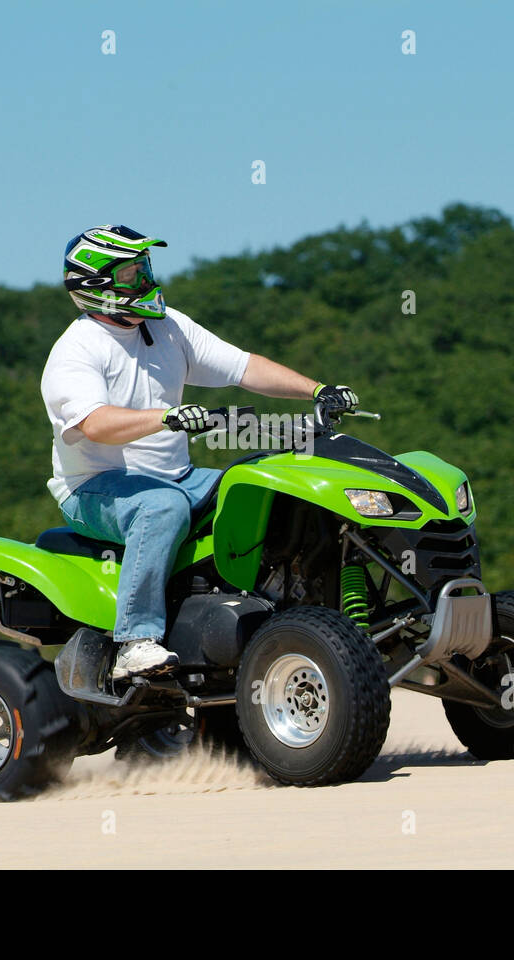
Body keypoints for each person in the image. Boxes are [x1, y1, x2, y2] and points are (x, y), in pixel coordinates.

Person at [42, 224, 358, 679]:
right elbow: (94, 424)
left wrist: (319, 389)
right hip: (93, 489)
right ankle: (135, 641)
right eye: (133, 274)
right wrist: (165, 417)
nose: (147, 281)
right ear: (97, 285)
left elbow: (243, 367)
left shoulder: (168, 327)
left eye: (145, 268)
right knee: (163, 507)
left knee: (270, 487)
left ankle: (288, 616)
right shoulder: (76, 351)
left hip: (179, 475)